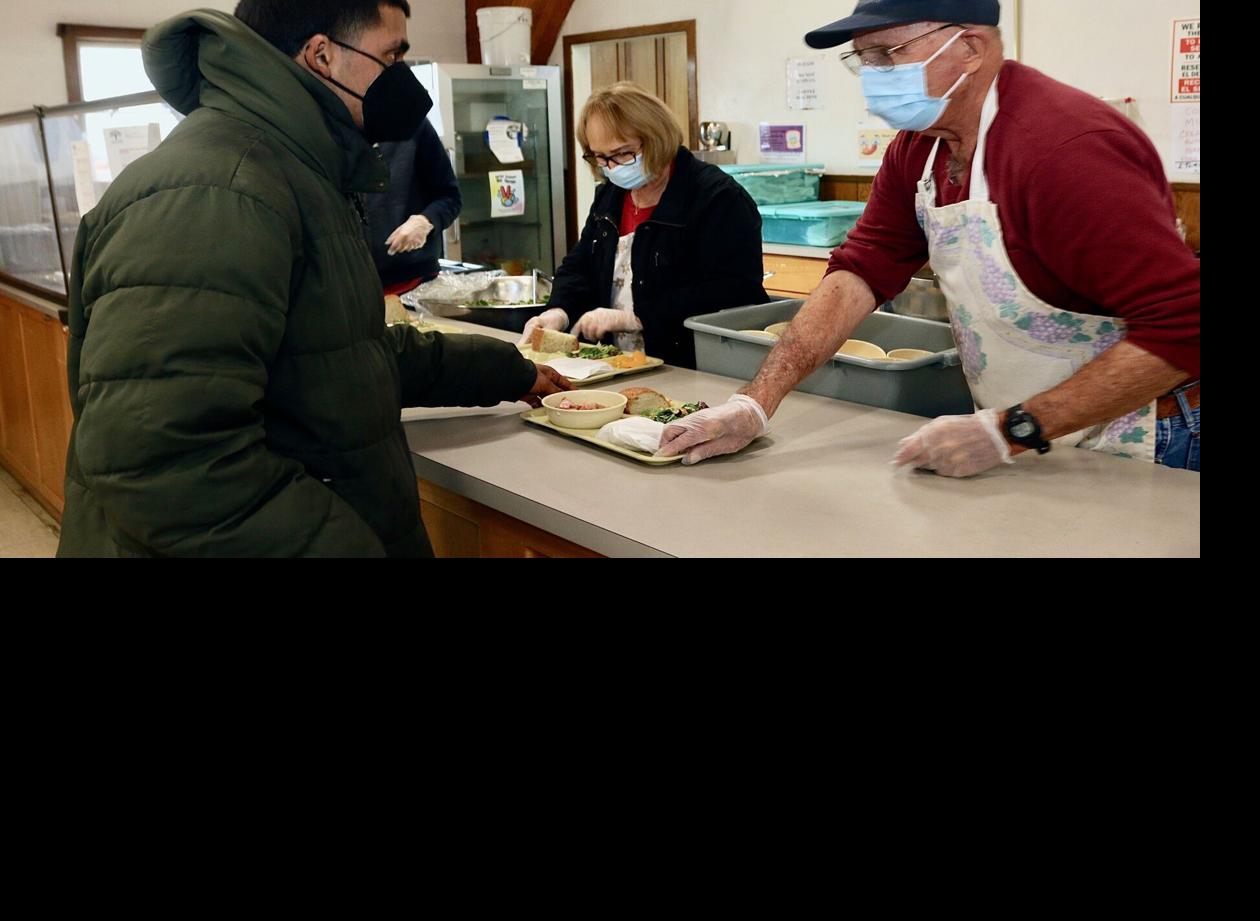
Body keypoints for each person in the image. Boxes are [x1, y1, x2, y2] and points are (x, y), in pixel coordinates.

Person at [58, 1, 572, 557]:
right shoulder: (218, 190)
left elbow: (341, 356)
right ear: (322, 56)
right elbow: (164, 461)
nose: (401, 78)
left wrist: (507, 371)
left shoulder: (297, 170)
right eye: (391, 55)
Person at [657, 0, 1200, 475]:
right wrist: (754, 403)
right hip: (1031, 432)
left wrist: (1011, 430)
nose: (871, 75)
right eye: (861, 58)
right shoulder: (919, 147)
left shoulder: (1065, 149)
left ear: (968, 47)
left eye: (886, 54)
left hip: (1146, 434)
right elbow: (860, 272)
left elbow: (1184, 325)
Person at [519, 82, 769, 368]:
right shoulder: (611, 195)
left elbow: (734, 289)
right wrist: (559, 311)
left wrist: (638, 316)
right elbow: (581, 266)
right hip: (622, 363)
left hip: (693, 365)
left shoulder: (717, 198)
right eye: (600, 157)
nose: (612, 167)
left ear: (656, 139)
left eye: (623, 153)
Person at [366, 117, 461, 295]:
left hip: (414, 280)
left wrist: (426, 221)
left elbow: (450, 197)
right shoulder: (329, 128)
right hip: (353, 284)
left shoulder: (412, 124)